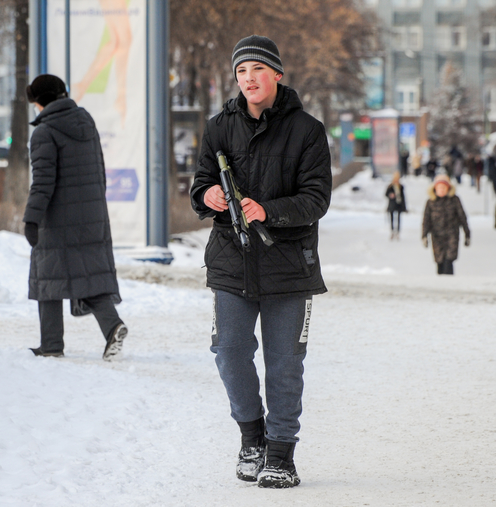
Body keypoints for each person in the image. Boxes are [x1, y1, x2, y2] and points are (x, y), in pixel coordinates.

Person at [189, 35, 331, 489]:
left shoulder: (307, 130)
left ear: (277, 75)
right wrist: (206, 195)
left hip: (289, 265)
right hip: (231, 262)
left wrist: (269, 210)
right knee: (229, 353)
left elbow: (317, 199)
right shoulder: (218, 127)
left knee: (285, 363)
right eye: (241, 72)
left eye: (256, 69)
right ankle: (252, 438)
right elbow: (201, 184)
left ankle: (281, 454)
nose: (248, 78)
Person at [23, 74, 127, 360]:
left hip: (57, 218)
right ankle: (112, 326)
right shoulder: (86, 123)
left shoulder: (44, 133)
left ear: (40, 101)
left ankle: (52, 345)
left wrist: (32, 219)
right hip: (91, 214)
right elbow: (100, 171)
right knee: (87, 276)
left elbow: (43, 182)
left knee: (48, 279)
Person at [422, 174, 471, 275]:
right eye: (439, 187)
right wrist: (424, 235)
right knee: (439, 260)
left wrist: (467, 233)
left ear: (448, 188)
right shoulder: (431, 202)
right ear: (435, 188)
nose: (441, 190)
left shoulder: (455, 200)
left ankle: (449, 282)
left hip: (451, 234)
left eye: (444, 187)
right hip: (437, 236)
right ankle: (440, 283)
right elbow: (426, 220)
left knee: (449, 259)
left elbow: (462, 217)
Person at [386, 171, 407, 240]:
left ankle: (398, 232)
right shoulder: (390, 186)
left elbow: (403, 197)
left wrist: (404, 206)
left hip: (399, 204)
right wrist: (390, 195)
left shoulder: (400, 187)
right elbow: (386, 194)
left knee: (398, 219)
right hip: (392, 204)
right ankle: (392, 231)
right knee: (392, 219)